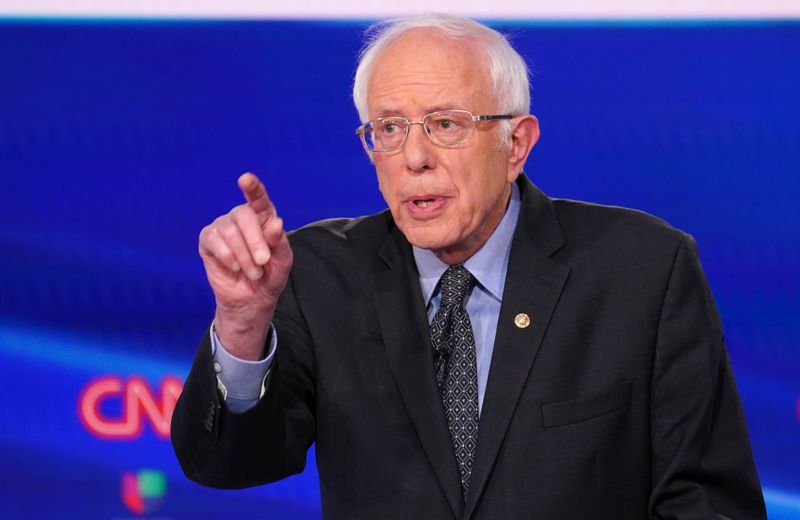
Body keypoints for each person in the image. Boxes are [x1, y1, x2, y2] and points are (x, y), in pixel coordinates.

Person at [171, 14, 766, 519]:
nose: (415, 158)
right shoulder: (320, 274)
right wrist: (243, 324)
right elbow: (224, 464)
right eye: (390, 129)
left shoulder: (642, 269)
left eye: (446, 125)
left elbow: (707, 501)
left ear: (517, 144)